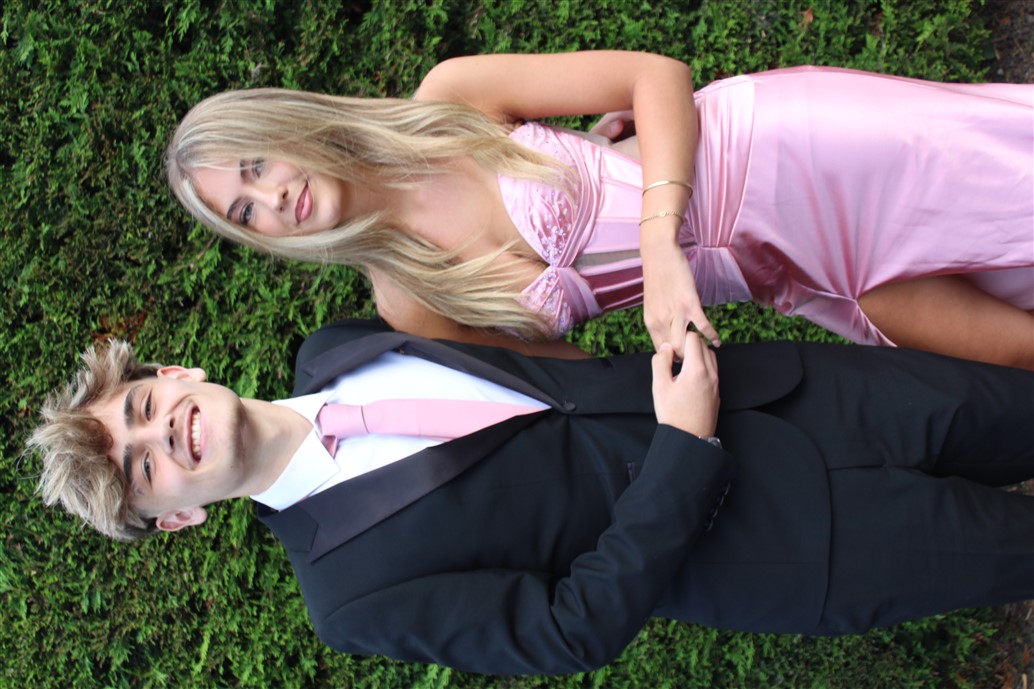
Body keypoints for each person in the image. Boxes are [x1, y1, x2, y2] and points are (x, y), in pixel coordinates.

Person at [28, 319, 1034, 675]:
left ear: (176, 372)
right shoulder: (347, 597)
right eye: (146, 469)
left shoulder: (337, 345)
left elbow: (536, 333)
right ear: (177, 516)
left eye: (145, 407)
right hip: (797, 543)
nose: (165, 433)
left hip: (797, 394)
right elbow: (565, 631)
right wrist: (682, 449)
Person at [166, 51, 1034, 368]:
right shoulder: (412, 303)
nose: (271, 197)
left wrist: (652, 233)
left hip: (787, 154)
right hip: (789, 277)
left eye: (256, 164)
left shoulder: (449, 101)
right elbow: (585, 384)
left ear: (287, 127)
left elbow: (655, 77)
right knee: (1015, 349)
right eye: (245, 210)